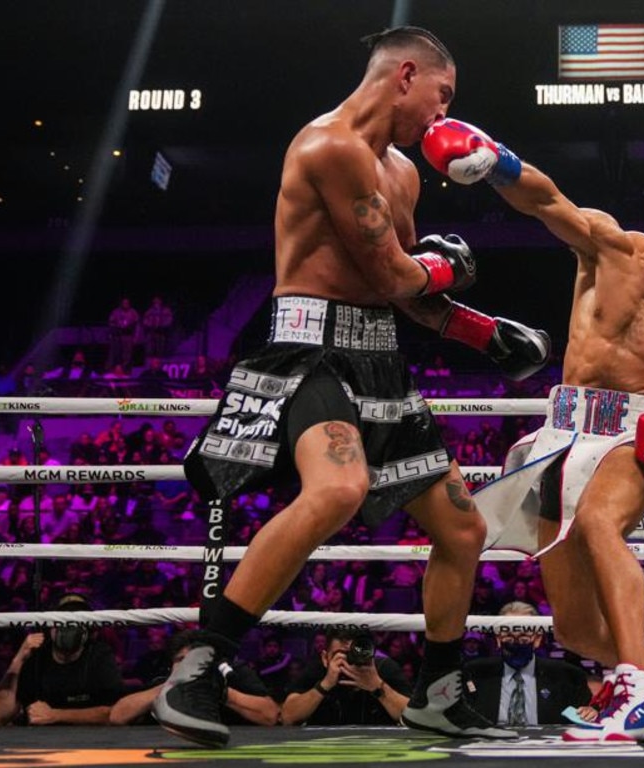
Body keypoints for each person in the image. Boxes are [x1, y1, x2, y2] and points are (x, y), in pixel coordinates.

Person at [152, 26, 550, 749]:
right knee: (335, 490)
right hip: (308, 352)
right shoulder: (329, 146)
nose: (444, 115)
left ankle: (436, 693)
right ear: (405, 75)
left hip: (379, 359)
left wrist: (483, 333)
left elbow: (399, 289)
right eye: (443, 95)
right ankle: (199, 670)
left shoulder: (400, 172)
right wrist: (450, 270)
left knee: (463, 528)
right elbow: (403, 273)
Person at [422, 117, 644, 741]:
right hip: (561, 434)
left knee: (601, 522)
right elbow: (545, 200)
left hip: (637, 435)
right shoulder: (608, 247)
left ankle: (638, 696)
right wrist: (495, 160)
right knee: (573, 628)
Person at [0, 593, 125, 726]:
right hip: (39, 742)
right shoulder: (36, 657)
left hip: (87, 741)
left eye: (76, 621)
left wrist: (56, 715)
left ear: (88, 630)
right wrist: (18, 660)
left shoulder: (99, 655)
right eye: (63, 620)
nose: (69, 627)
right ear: (51, 626)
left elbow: (113, 713)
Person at [110, 629, 279, 727]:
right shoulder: (163, 683)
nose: (188, 666)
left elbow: (271, 715)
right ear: (172, 665)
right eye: (181, 660)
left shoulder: (233, 674)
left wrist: (221, 691)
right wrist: (168, 687)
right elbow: (117, 716)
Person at [462, 601, 592, 726]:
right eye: (508, 635)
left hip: (545, 746)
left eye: (523, 636)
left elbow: (589, 715)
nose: (516, 642)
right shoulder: (474, 674)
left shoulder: (567, 677)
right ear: (498, 638)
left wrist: (590, 713)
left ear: (537, 638)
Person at [281, 628, 411, 726]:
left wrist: (377, 687)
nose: (351, 661)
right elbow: (288, 717)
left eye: (355, 654)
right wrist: (325, 685)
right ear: (325, 658)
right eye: (342, 655)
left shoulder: (384, 669)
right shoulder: (317, 670)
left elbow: (413, 717)